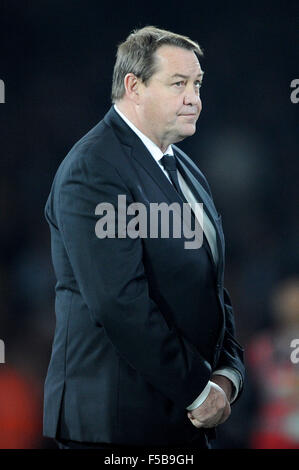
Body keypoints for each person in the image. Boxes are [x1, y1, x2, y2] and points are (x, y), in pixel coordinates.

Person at [43, 26, 245, 450]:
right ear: (133, 86)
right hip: (115, 429)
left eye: (197, 84)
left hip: (181, 420)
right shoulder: (95, 168)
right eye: (178, 84)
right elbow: (119, 302)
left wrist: (227, 372)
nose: (194, 98)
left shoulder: (184, 167)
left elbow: (209, 281)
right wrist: (198, 388)